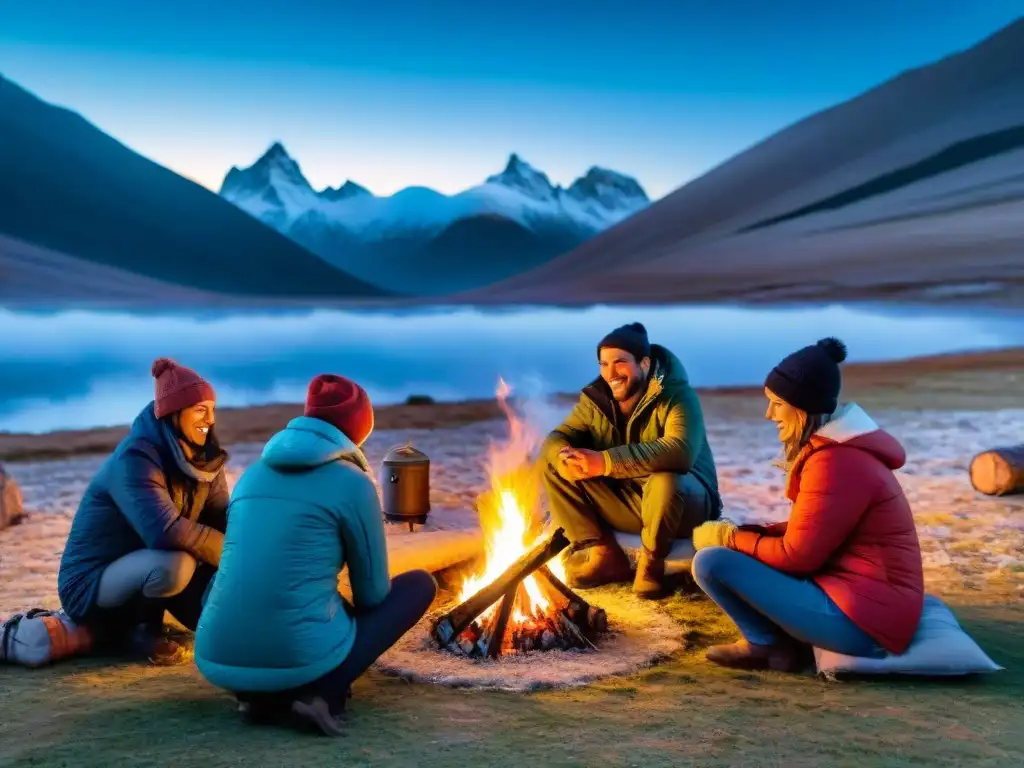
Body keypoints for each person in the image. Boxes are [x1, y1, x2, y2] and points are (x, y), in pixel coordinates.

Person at [194, 373, 437, 737]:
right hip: (296, 655)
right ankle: (323, 693)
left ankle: (257, 697)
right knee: (419, 585)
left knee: (252, 582)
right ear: (357, 429)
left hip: (219, 656)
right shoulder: (352, 482)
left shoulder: (251, 476)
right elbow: (372, 595)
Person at [689, 337, 925, 672]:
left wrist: (728, 539)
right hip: (873, 606)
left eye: (776, 403)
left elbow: (798, 557)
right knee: (733, 551)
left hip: (866, 624)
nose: (769, 414)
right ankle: (775, 645)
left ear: (801, 406)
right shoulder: (840, 452)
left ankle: (767, 647)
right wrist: (745, 533)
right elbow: (816, 531)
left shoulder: (835, 462)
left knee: (712, 562)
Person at [57, 358, 229, 665]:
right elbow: (165, 531)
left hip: (147, 567)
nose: (209, 420)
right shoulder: (136, 458)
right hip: (92, 582)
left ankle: (151, 625)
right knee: (175, 563)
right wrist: (233, 553)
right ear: (174, 413)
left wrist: (253, 549)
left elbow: (222, 519)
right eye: (200, 410)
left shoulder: (204, 461)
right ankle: (140, 633)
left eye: (212, 410)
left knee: (219, 613)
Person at [540, 322, 722, 599]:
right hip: (630, 503)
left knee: (665, 478)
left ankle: (651, 563)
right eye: (603, 364)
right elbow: (559, 436)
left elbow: (679, 451)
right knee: (553, 462)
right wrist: (563, 454)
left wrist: (605, 462)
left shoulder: (676, 395)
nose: (610, 373)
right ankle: (604, 554)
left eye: (620, 362)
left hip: (686, 505)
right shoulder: (595, 400)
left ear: (645, 363)